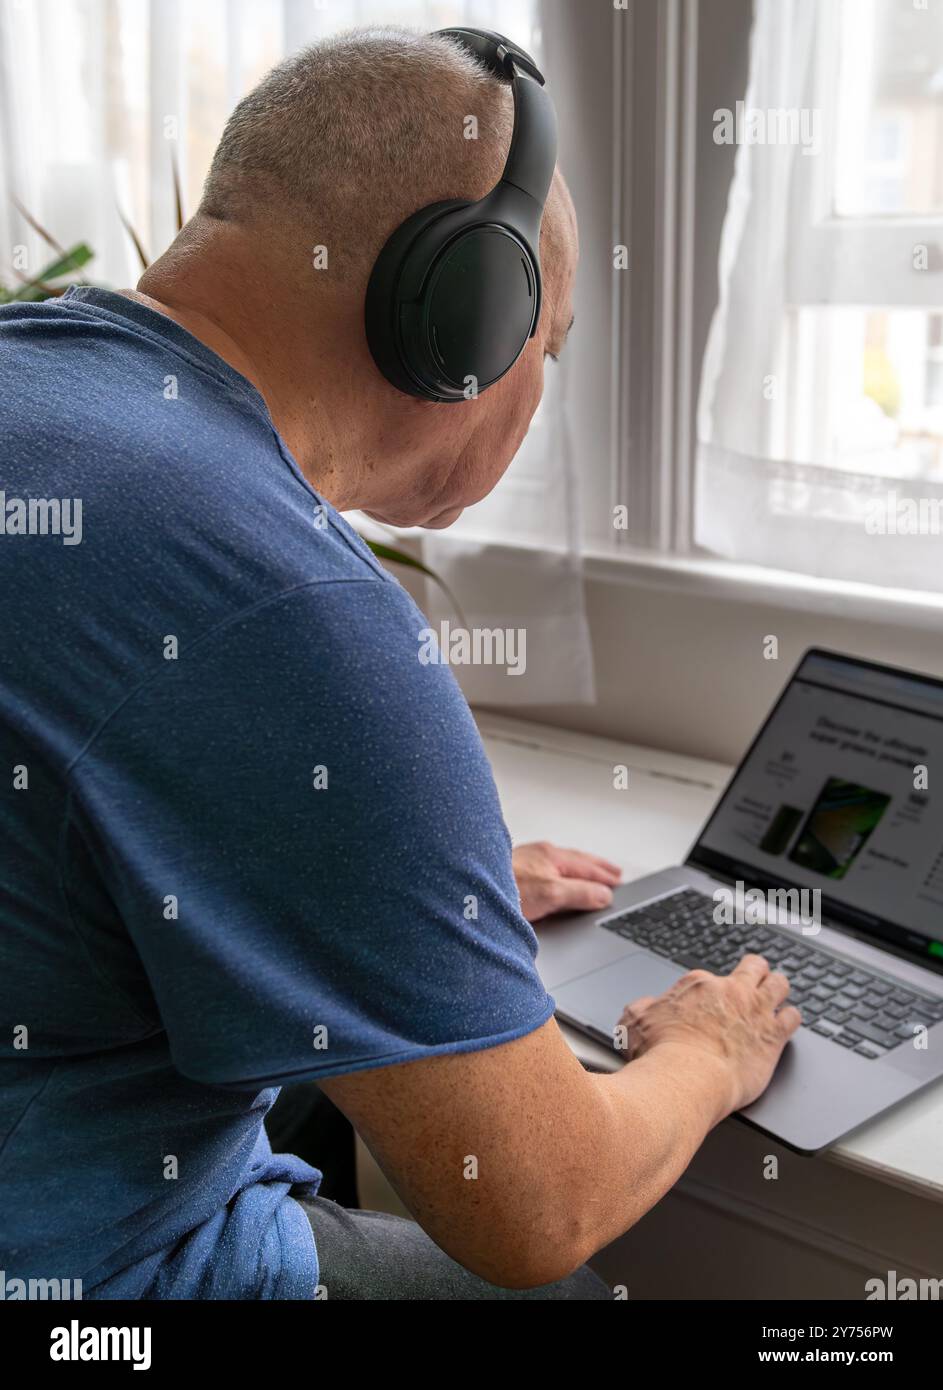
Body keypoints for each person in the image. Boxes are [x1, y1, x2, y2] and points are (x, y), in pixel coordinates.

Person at [0, 27, 799, 1301]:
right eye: (554, 334)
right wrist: (709, 1047)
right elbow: (542, 1207)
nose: (541, 377)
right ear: (464, 311)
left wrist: (395, 904)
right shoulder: (289, 602)